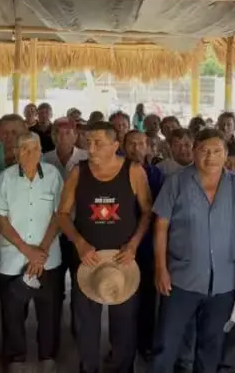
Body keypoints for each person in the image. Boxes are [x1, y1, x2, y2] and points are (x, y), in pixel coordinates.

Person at [57, 121, 154, 373]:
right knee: (85, 323)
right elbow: (63, 214)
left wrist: (133, 245)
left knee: (125, 324)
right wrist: (79, 243)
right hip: (87, 261)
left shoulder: (133, 171)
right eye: (88, 142)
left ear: (115, 145)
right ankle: (88, 368)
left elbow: (147, 212)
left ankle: (123, 368)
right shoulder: (78, 172)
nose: (91, 148)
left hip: (123, 261)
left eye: (98, 143)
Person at [152, 129, 235, 373]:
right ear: (194, 152)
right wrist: (161, 269)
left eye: (217, 151)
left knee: (211, 345)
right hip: (181, 279)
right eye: (204, 151)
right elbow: (161, 226)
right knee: (166, 342)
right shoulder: (177, 182)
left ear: (226, 154)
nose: (210, 157)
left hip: (224, 282)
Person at [0, 132, 65, 372]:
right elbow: (0, 218)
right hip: (13, 258)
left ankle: (48, 356)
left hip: (48, 258)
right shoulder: (5, 178)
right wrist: (27, 251)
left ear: (41, 151)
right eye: (23, 149)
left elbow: (59, 216)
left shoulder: (53, 175)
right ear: (15, 152)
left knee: (50, 311)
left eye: (34, 149)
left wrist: (41, 251)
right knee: (12, 311)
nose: (29, 154)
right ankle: (15, 357)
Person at [123, 130, 166, 362]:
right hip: (121, 245)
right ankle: (121, 348)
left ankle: (145, 343)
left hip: (148, 245)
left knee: (148, 300)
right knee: (122, 299)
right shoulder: (115, 172)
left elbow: (160, 213)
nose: (136, 148)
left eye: (141, 144)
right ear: (122, 146)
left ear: (149, 148)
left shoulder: (156, 174)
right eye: (131, 144)